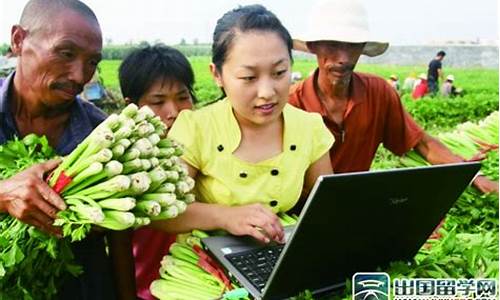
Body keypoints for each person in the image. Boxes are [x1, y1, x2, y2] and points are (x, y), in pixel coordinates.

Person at [154, 4, 334, 243]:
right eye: (249, 77)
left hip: (276, 248)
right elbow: (163, 213)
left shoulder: (309, 128)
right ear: (217, 75)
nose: (267, 92)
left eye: (279, 72)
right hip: (204, 260)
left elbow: (327, 207)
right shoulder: (195, 128)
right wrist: (225, 216)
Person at [289, 0, 498, 194]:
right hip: (294, 214)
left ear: (362, 48)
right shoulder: (290, 103)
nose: (343, 58)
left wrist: (470, 173)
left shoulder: (378, 93)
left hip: (353, 204)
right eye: (333, 45)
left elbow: (421, 143)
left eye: (352, 46)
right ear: (313, 45)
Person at [0, 1, 134, 299]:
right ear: (19, 40)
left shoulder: (103, 137)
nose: (79, 76)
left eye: (92, 62)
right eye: (66, 53)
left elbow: (121, 241)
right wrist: (3, 194)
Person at [118, 44, 197, 300]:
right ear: (131, 106)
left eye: (183, 97)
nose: (173, 112)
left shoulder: (205, 146)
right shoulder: (124, 166)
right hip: (146, 289)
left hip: (198, 286)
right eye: (158, 102)